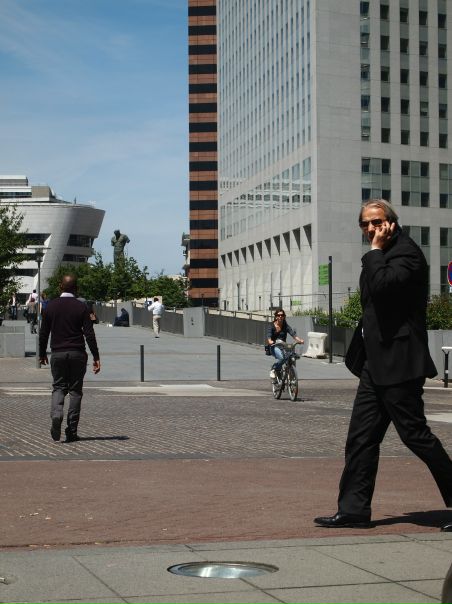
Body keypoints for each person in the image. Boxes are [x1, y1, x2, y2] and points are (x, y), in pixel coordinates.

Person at [314, 199, 452, 530]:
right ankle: (354, 510)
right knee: (360, 438)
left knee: (416, 436)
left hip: (400, 363)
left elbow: (383, 287)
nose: (371, 229)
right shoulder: (382, 255)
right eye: (365, 224)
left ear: (391, 222)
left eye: (377, 222)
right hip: (374, 364)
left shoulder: (407, 254)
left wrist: (375, 251)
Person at [39, 275, 101, 443]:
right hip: (77, 353)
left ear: (60, 286)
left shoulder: (50, 307)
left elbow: (44, 333)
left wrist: (42, 353)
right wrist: (96, 356)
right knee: (75, 392)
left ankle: (56, 414)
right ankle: (71, 431)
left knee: (58, 387)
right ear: (76, 289)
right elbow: (89, 334)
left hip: (57, 353)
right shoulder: (82, 307)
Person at [266, 308, 304, 379]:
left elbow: (293, 335)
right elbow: (269, 337)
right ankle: (274, 368)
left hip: (283, 346)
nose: (280, 316)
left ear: (284, 316)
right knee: (282, 358)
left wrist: (300, 340)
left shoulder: (285, 326)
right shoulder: (271, 326)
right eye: (278, 315)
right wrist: (271, 341)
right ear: (276, 316)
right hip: (274, 346)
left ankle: (289, 372)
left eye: (282, 315)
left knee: (291, 356)